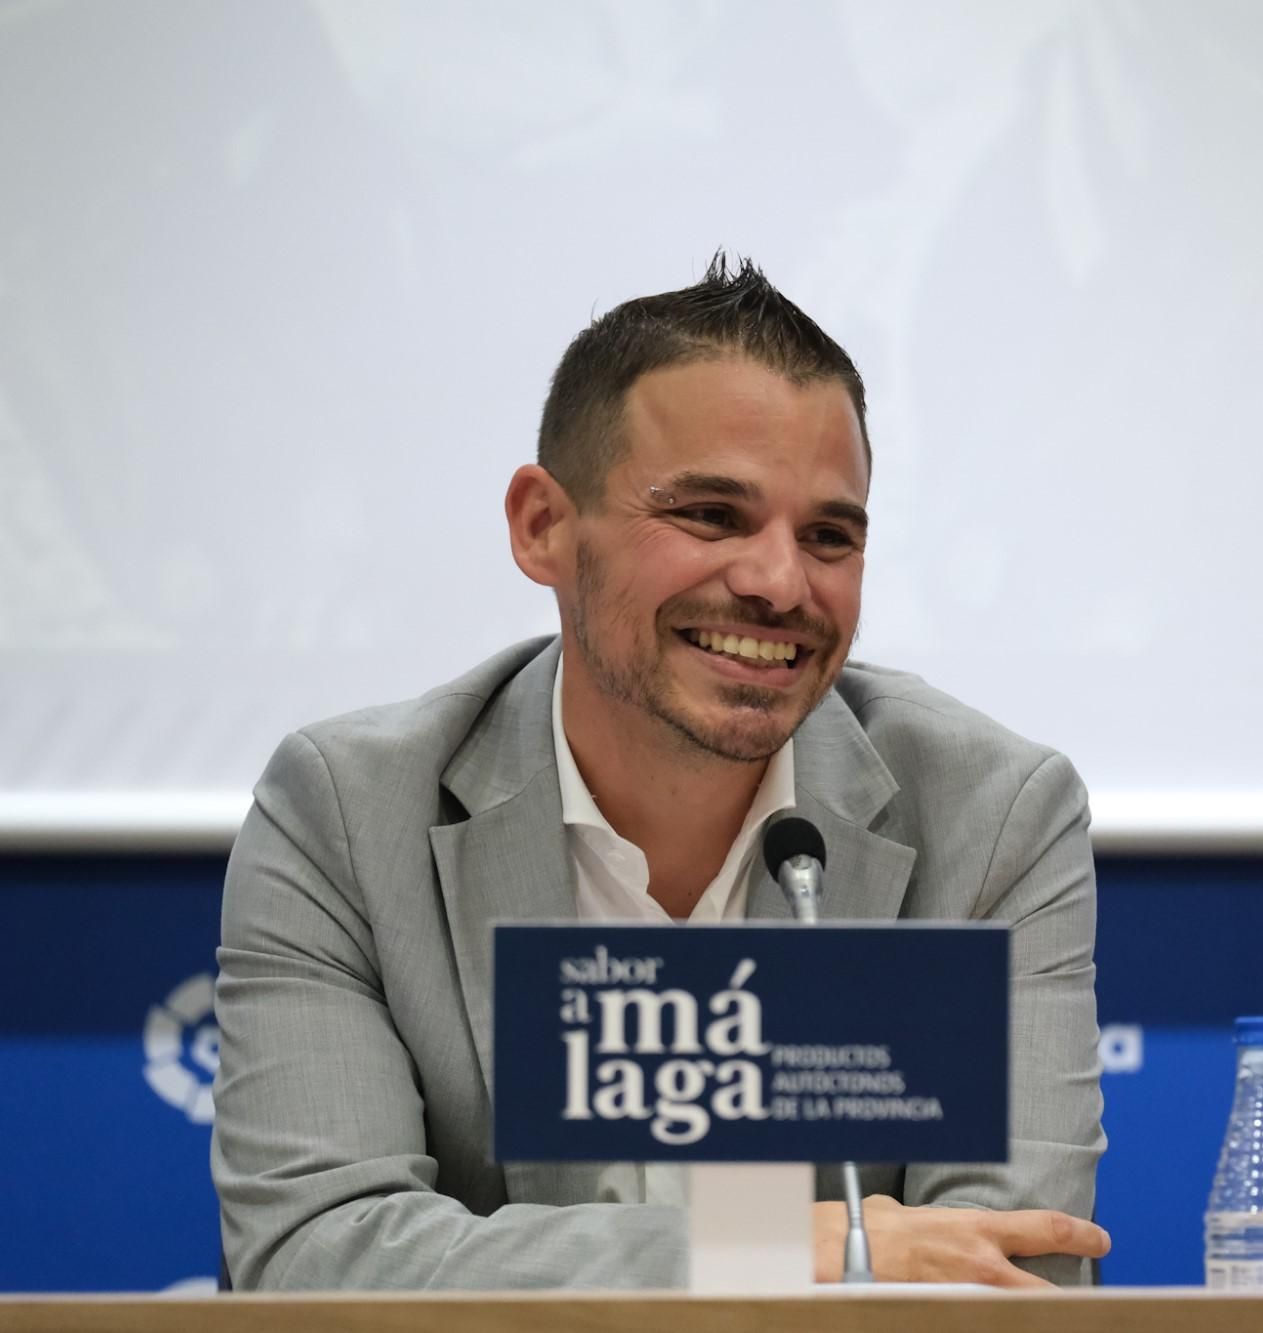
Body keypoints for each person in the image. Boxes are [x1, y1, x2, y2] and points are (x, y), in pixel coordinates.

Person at [212, 256, 1108, 1290]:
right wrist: (791, 1250)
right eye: (710, 516)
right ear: (543, 525)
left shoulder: (993, 815)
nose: (778, 583)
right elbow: (320, 1260)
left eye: (828, 536)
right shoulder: (346, 814)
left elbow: (1007, 1272)